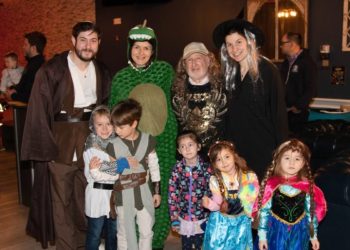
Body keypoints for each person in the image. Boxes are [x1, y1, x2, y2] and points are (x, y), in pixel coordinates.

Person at [21, 22, 111, 249]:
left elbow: (106, 107)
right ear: (72, 41)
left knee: (85, 196)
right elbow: (38, 110)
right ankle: (66, 246)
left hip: (90, 141)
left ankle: (84, 242)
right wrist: (44, 147)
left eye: (93, 40)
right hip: (59, 141)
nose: (87, 45)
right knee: (61, 199)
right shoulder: (51, 69)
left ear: (99, 43)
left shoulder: (102, 70)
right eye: (83, 39)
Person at [108, 20, 177, 248]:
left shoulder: (165, 71)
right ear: (129, 49)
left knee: (159, 191)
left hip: (163, 142)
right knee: (133, 193)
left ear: (153, 49)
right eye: (136, 47)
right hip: (132, 146)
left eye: (146, 47)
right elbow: (114, 114)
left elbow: (174, 100)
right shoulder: (121, 78)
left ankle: (154, 242)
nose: (141, 52)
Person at [212, 19, 288, 180]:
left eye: (238, 42)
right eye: (229, 44)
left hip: (264, 150)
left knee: (261, 200)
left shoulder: (267, 71)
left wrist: (283, 154)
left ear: (249, 42)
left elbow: (279, 114)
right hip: (238, 152)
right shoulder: (230, 75)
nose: (234, 48)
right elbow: (229, 114)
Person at [254, 139, 327, 250]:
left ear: (303, 163)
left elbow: (311, 214)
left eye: (297, 159)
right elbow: (264, 212)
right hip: (275, 232)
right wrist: (262, 237)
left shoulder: (307, 186)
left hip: (299, 234)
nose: (292, 163)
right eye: (287, 158)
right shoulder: (271, 185)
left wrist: (313, 236)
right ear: (279, 160)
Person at [108, 98, 161, 250]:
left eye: (121, 126)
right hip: (123, 196)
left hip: (145, 194)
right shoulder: (113, 145)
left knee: (146, 232)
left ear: (134, 123)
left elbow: (154, 166)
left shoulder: (147, 140)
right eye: (115, 126)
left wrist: (157, 191)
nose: (116, 130)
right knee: (124, 234)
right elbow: (108, 170)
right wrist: (122, 163)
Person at [172, 42, 227, 155]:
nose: (194, 64)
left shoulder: (224, 88)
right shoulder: (175, 91)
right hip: (188, 160)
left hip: (218, 158)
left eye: (198, 58)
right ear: (184, 65)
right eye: (189, 60)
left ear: (208, 61)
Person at [202, 141, 259, 250]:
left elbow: (253, 201)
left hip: (241, 221)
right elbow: (218, 204)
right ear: (215, 164)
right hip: (222, 222)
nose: (224, 162)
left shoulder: (248, 176)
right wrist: (209, 204)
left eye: (227, 156)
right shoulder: (215, 180)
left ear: (234, 156)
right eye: (219, 159)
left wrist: (251, 208)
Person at [168, 130, 212, 249]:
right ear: (179, 151)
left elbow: (213, 193)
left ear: (198, 146)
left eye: (190, 145)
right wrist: (174, 218)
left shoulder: (207, 169)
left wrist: (212, 217)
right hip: (184, 218)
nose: (187, 149)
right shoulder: (177, 169)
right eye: (183, 146)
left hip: (202, 218)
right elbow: (172, 195)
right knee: (186, 246)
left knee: (201, 246)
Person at [83, 105, 118, 250]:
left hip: (113, 196)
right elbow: (100, 170)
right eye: (100, 124)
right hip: (97, 195)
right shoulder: (91, 146)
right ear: (93, 126)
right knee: (94, 233)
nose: (104, 129)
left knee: (113, 233)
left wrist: (114, 166)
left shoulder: (117, 144)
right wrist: (117, 166)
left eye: (108, 124)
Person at [280, 32, 317, 135]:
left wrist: (298, 106)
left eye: (283, 43)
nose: (280, 46)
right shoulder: (285, 63)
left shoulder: (307, 62)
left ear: (291, 44)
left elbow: (311, 88)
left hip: (298, 114)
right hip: (284, 112)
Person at [6, 31, 46, 103]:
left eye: (25, 45)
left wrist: (12, 96)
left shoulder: (36, 66)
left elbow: (29, 96)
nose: (23, 47)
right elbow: (24, 85)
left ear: (33, 48)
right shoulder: (32, 63)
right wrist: (14, 88)